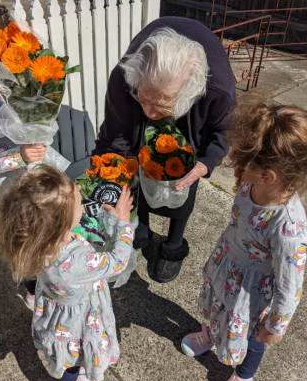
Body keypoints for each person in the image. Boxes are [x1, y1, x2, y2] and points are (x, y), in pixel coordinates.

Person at [93, 17, 237, 283]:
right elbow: (116, 137)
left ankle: (174, 244)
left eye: (160, 104)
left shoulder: (219, 91)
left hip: (189, 120)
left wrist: (205, 162)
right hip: (154, 88)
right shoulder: (126, 77)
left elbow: (224, 130)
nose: (149, 112)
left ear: (191, 91)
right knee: (137, 170)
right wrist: (106, 180)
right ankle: (142, 226)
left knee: (182, 181)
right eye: (143, 99)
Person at [181, 103, 307, 381]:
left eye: (240, 157)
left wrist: (276, 326)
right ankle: (211, 335)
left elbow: (291, 285)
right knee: (215, 307)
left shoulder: (289, 228)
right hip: (227, 265)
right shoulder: (250, 185)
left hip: (250, 294)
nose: (231, 156)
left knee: (252, 340)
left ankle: (244, 376)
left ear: (268, 175)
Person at [0, 164, 134, 381]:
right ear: (65, 233)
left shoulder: (36, 244)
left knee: (67, 355)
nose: (77, 187)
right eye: (78, 199)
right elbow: (119, 261)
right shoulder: (76, 262)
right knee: (74, 358)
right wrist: (123, 221)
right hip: (79, 318)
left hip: (57, 309)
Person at [0, 4, 47, 308]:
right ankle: (32, 287)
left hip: (22, 179)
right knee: (19, 243)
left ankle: (32, 278)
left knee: (31, 233)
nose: (15, 67)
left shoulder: (7, 90)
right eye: (4, 61)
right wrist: (20, 156)